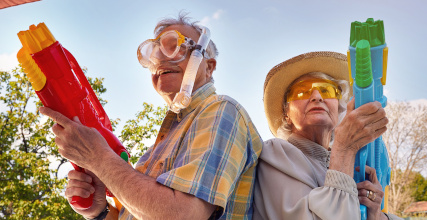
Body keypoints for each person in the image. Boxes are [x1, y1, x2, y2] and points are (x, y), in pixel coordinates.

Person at [40, 12, 262, 220]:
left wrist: (98, 158)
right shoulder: (158, 147)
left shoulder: (221, 111)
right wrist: (99, 211)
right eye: (155, 54)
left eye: (177, 47)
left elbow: (183, 214)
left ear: (209, 67)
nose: (162, 61)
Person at [253, 51, 401, 220]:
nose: (316, 97)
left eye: (327, 90)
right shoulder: (276, 153)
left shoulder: (346, 162)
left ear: (339, 108)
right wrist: (345, 148)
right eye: (301, 92)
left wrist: (375, 215)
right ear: (286, 113)